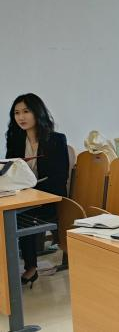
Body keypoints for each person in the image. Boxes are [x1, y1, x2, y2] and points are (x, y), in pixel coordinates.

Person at [5, 93, 69, 287]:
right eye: (16, 113)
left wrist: (31, 189)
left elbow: (59, 178)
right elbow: (10, 172)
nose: (21, 117)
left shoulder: (56, 140)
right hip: (24, 196)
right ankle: (7, 268)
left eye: (26, 111)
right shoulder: (16, 139)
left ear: (37, 113)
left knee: (18, 216)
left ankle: (30, 268)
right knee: (8, 213)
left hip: (49, 198)